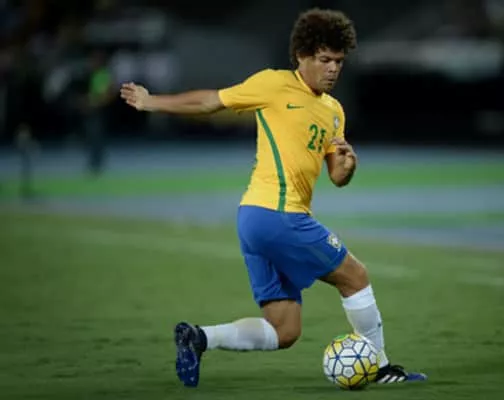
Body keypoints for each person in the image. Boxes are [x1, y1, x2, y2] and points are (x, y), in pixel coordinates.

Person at [120, 8, 427, 388]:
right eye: (325, 59)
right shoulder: (274, 84)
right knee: (356, 276)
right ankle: (379, 368)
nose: (333, 69)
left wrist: (348, 166)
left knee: (284, 329)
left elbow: (336, 176)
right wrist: (152, 102)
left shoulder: (334, 111)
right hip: (278, 214)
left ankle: (199, 338)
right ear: (302, 55)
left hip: (254, 219)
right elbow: (211, 101)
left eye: (339, 61)